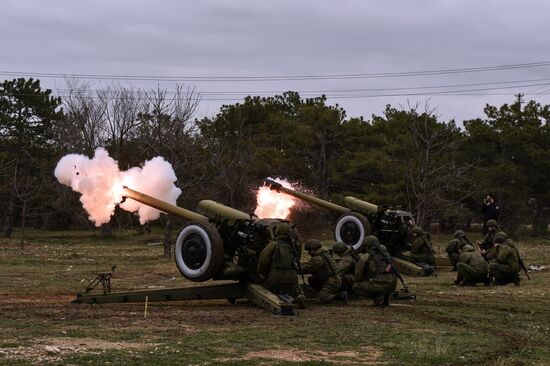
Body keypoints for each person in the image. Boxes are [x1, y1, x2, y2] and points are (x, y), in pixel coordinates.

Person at [257, 223, 305, 308]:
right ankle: (298, 296)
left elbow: (263, 261)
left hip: (276, 275)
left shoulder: (273, 244)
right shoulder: (293, 246)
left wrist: (262, 273)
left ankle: (279, 298)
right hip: (292, 276)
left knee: (270, 290)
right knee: (294, 289)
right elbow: (297, 258)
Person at [352, 235, 397, 306]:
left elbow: (358, 275)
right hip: (392, 284)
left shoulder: (366, 256)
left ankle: (377, 297)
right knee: (384, 279)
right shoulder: (386, 254)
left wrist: (365, 279)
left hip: (380, 284)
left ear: (366, 245)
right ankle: (385, 300)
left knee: (356, 287)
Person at [300, 239, 342, 304]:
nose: (308, 253)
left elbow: (307, 268)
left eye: (309, 251)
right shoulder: (325, 254)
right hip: (333, 280)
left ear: (313, 250)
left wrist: (296, 268)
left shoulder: (318, 258)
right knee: (312, 279)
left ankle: (339, 296)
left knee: (320, 300)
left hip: (331, 282)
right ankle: (325, 293)